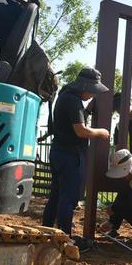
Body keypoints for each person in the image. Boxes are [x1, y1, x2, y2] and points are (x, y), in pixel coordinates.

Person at [42, 68, 110, 239]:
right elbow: (80, 131)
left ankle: (46, 232)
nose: (93, 95)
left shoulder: (65, 96)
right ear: (85, 86)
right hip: (71, 156)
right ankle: (65, 238)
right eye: (93, 91)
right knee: (68, 199)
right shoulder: (73, 100)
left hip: (58, 152)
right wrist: (101, 132)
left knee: (56, 196)